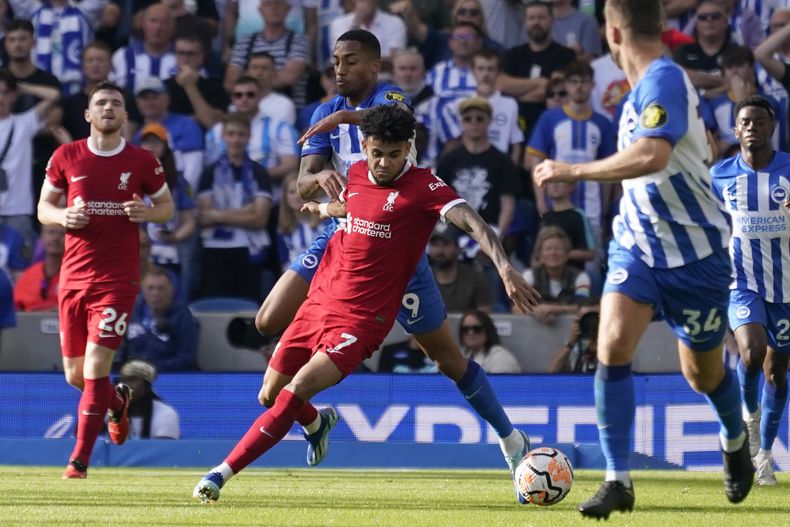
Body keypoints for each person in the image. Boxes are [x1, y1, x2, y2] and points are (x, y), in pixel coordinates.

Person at [192, 103, 539, 503]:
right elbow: (354, 207)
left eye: (395, 154)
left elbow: (472, 221)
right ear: (364, 147)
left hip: (375, 307)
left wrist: (505, 268)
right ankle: (319, 424)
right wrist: (322, 207)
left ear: (408, 148)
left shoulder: (424, 186)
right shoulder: (355, 172)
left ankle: (220, 473)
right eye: (378, 153)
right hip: (323, 301)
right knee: (271, 394)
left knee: (443, 362)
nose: (386, 162)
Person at [255, 30, 533, 498]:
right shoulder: (323, 114)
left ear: (374, 66)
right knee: (267, 321)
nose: (339, 69)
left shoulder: (389, 99)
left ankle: (510, 438)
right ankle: (315, 420)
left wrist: (345, 117)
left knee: (446, 359)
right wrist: (318, 175)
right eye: (335, 61)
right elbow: (302, 184)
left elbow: (395, 119)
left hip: (393, 246)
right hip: (337, 235)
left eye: (349, 61)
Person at [534, 0, 752, 517]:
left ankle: (734, 435)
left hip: (697, 255)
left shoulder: (662, 81)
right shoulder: (642, 93)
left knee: (701, 373)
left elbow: (653, 155)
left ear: (611, 32)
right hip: (637, 247)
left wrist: (573, 170)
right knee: (610, 345)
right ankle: (618, 479)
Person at [37, 80, 174, 479]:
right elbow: (44, 207)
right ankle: (117, 403)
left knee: (96, 368)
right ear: (88, 114)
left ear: (125, 114)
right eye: (101, 103)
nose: (109, 108)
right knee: (75, 375)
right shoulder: (67, 155)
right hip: (74, 278)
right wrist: (63, 217)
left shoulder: (142, 161)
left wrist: (147, 214)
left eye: (116, 103)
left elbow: (166, 206)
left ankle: (78, 461)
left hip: (117, 279)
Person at [709, 95, 790, 487]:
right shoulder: (720, 175)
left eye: (760, 120)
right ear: (736, 130)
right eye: (746, 121)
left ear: (772, 127)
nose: (753, 126)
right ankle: (748, 416)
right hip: (743, 283)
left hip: (788, 286)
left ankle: (764, 456)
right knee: (753, 351)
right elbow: (702, 220)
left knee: (777, 371)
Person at [197, 113, 273, 300]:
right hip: (215, 249)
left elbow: (260, 219)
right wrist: (246, 211)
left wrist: (218, 215)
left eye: (241, 134)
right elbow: (204, 218)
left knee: (248, 308)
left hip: (249, 248)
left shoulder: (258, 172)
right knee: (215, 306)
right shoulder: (209, 172)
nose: (236, 139)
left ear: (249, 136)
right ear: (223, 136)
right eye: (231, 134)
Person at [117, 266, 199, 372]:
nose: (155, 293)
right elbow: (119, 352)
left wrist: (151, 368)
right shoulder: (131, 314)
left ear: (171, 291)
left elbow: (187, 359)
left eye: (161, 288)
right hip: (133, 376)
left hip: (169, 376)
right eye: (150, 288)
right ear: (142, 290)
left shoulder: (183, 316)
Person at [523, 225, 591, 324]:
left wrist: (555, 309)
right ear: (540, 255)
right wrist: (536, 312)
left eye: (558, 249)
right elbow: (516, 308)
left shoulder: (581, 277)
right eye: (548, 249)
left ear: (567, 254)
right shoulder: (529, 276)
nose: (553, 253)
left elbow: (583, 307)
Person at [428, 225, 492, 313]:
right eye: (435, 245)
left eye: (446, 244)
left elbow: (484, 315)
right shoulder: (423, 277)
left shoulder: (475, 277)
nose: (440, 251)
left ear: (457, 249)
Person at [118, 360, 181, 439]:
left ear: (147, 385)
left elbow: (163, 450)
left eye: (132, 380)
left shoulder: (166, 414)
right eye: (123, 381)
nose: (124, 385)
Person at [13, 224, 64, 312]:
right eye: (51, 232)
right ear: (42, 237)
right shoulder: (28, 275)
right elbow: (17, 311)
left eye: (62, 234)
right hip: (30, 324)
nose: (55, 238)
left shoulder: (77, 275)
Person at [547, 301, 600, 373]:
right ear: (578, 321)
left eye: (594, 318)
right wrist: (571, 343)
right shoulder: (575, 345)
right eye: (586, 318)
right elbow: (551, 373)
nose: (591, 323)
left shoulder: (615, 343)